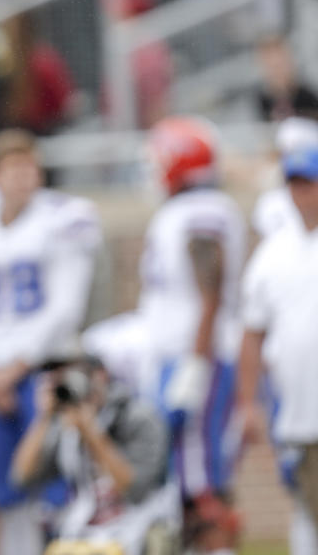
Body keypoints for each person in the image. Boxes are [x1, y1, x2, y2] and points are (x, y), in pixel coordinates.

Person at [0, 130, 102, 555]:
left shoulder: (63, 219)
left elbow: (66, 309)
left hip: (44, 368)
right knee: (2, 489)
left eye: (30, 167)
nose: (24, 177)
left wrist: (13, 368)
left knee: (56, 485)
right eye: (13, 168)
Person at [136, 117, 247, 554]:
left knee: (202, 482)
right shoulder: (181, 211)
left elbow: (211, 293)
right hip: (179, 355)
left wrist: (196, 365)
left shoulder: (204, 210)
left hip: (200, 355)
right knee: (182, 478)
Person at [11, 349, 174, 554]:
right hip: (83, 537)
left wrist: (90, 431)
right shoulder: (66, 425)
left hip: (137, 533)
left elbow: (135, 488)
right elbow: (22, 477)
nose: (66, 383)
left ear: (100, 375)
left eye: (71, 375)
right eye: (57, 378)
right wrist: (43, 418)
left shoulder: (138, 417)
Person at [237, 142, 318, 555]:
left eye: (310, 183)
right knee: (306, 507)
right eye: (296, 184)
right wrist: (249, 403)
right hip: (296, 407)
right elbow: (252, 332)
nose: (303, 193)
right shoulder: (274, 251)